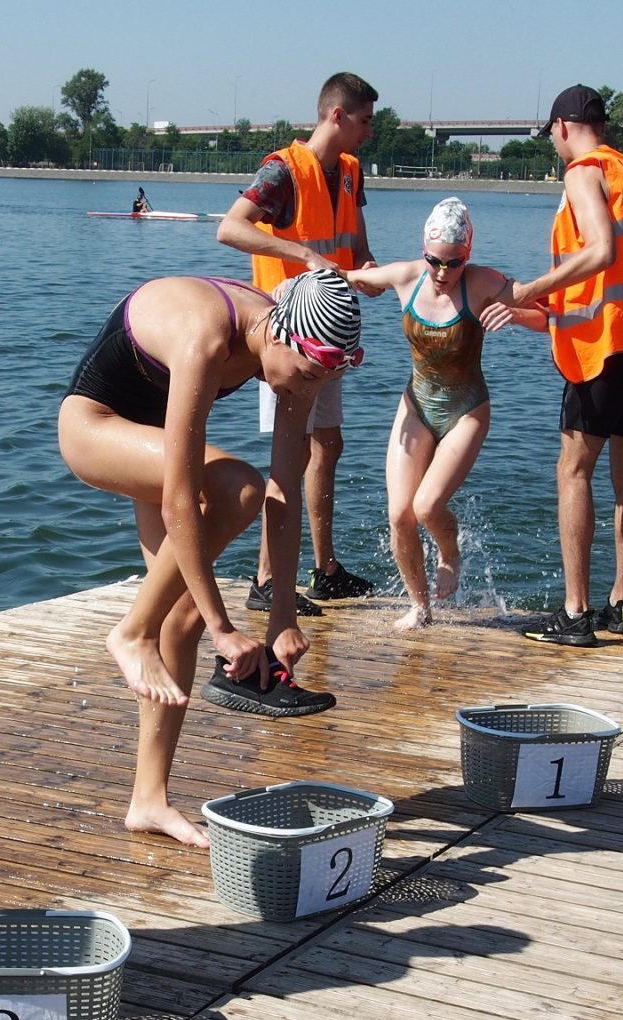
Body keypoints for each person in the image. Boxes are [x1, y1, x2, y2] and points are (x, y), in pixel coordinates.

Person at [57, 269, 364, 847]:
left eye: (321, 382)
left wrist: (281, 619)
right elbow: (181, 496)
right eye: (303, 376)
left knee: (183, 618)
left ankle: (148, 799)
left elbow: (285, 492)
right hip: (94, 430)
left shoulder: (294, 360)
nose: (303, 392)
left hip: (151, 438)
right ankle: (130, 633)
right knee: (234, 488)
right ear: (278, 336)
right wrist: (227, 629)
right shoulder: (205, 332)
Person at [501, 85, 623, 648]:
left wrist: (530, 289)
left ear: (560, 127)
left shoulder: (583, 172)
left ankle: (575, 614)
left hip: (607, 346)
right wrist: (545, 316)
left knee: (573, 469)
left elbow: (601, 252)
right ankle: (620, 604)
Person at [216, 72, 381, 615]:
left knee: (327, 444)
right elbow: (230, 228)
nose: (368, 132)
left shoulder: (352, 173)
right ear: (336, 115)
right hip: (284, 336)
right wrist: (307, 257)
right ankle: (266, 579)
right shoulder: (282, 169)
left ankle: (324, 569)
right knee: (289, 453)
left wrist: (377, 275)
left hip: (330, 335)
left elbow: (355, 245)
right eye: (363, 121)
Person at [346, 197, 542, 629]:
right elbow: (349, 276)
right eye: (434, 261)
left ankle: (450, 553)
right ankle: (420, 606)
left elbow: (545, 316)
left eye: (453, 264)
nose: (441, 273)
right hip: (416, 403)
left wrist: (516, 314)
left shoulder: (482, 282)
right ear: (424, 252)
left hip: (466, 409)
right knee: (400, 514)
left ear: (467, 256)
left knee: (428, 505)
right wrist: (296, 283)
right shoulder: (407, 277)